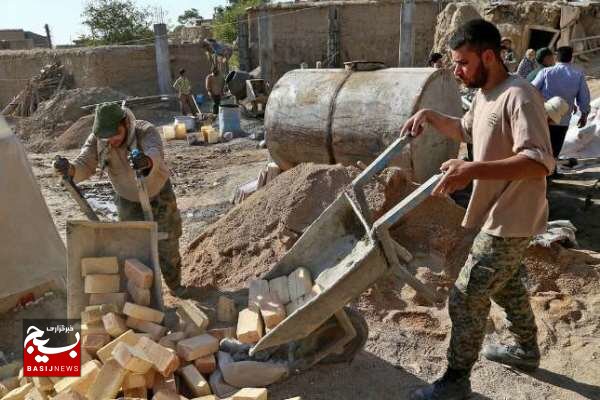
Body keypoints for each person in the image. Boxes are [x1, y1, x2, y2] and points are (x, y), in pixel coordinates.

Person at [402, 19, 554, 400]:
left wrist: (472, 170)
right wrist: (433, 117)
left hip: (513, 215)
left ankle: (455, 382)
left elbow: (538, 160)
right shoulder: (485, 94)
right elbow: (468, 130)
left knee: (467, 295)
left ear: (489, 55)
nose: (457, 71)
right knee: (506, 286)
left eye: (463, 62)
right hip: (494, 214)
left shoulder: (519, 96)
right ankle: (525, 348)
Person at [53, 103, 184, 293]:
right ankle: (144, 292)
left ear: (125, 124)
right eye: (106, 137)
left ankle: (176, 286)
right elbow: (84, 164)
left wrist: (145, 161)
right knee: (134, 246)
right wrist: (69, 169)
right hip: (126, 199)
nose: (111, 141)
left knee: (167, 242)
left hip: (157, 194)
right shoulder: (98, 140)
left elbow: (155, 152)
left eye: (116, 134)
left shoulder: (144, 130)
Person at [532, 46, 591, 160]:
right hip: (563, 119)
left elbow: (531, 90)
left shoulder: (546, 72)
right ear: (571, 58)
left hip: (544, 116)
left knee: (542, 147)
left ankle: (543, 173)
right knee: (556, 148)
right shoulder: (577, 74)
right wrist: (584, 115)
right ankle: (551, 171)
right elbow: (584, 97)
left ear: (556, 57)